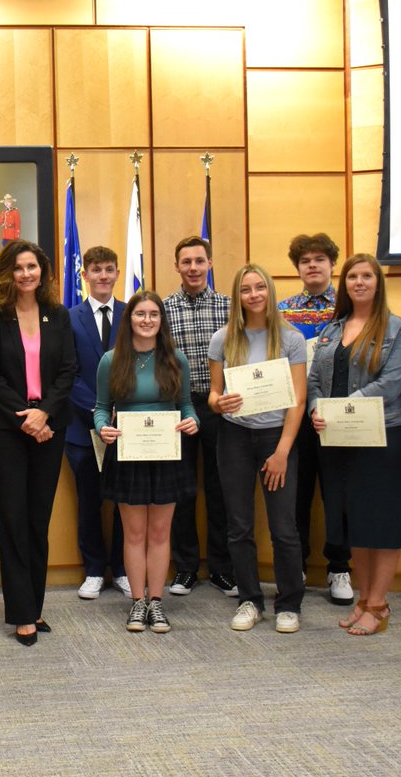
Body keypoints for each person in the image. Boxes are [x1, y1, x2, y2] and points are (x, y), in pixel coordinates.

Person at [307, 255, 401, 636]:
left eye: (367, 275)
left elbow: (392, 383)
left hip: (381, 437)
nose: (359, 282)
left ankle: (379, 603)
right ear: (345, 284)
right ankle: (364, 599)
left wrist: (342, 410)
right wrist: (318, 409)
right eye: (352, 276)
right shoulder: (331, 330)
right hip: (336, 439)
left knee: (380, 522)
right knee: (355, 523)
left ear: (378, 282)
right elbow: (314, 381)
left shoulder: (396, 329)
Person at [0, 240, 77, 645]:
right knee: (13, 520)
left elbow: (69, 371)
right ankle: (20, 613)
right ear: (7, 273)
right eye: (18, 268)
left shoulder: (59, 314)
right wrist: (28, 417)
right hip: (6, 430)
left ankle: (34, 607)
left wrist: (44, 414)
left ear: (43, 270)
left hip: (49, 428)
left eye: (32, 266)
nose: (26, 274)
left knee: (38, 519)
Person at [209, 264, 307, 634]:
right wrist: (219, 404)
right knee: (239, 526)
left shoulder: (290, 339)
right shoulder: (223, 339)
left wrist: (282, 451)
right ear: (237, 297)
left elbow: (298, 400)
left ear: (269, 291)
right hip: (234, 437)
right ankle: (249, 600)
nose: (254, 295)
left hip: (276, 438)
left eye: (259, 288)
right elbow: (215, 394)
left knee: (284, 528)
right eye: (246, 290)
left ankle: (289, 604)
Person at [94, 292, 198, 633]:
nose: (147, 320)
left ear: (161, 320)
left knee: (160, 532)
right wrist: (102, 427)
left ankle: (156, 603)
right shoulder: (111, 360)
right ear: (130, 319)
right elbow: (100, 408)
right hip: (129, 454)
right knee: (134, 533)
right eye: (141, 314)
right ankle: (137, 603)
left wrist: (192, 420)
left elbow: (185, 405)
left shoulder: (175, 359)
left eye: (154, 314)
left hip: (167, 453)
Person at [278, 232, 353, 606]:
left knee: (337, 494)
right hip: (295, 414)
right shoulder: (282, 310)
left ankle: (339, 568)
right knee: (297, 495)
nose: (312, 265)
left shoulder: (349, 305)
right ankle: (299, 566)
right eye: (305, 260)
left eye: (319, 259)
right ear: (297, 267)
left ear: (332, 264)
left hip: (337, 413)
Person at [162, 236, 236, 598]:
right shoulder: (162, 309)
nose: (193, 268)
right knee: (182, 490)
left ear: (209, 264)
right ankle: (186, 568)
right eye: (186, 261)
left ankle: (223, 568)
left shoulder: (229, 306)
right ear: (176, 266)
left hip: (221, 406)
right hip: (177, 407)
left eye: (199, 261)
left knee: (220, 488)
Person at [66, 245, 128, 599]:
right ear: (85, 275)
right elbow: (67, 374)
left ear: (117, 273)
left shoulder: (131, 313)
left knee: (125, 500)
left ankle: (121, 568)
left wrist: (121, 412)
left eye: (109, 269)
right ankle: (92, 569)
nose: (103, 275)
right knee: (88, 500)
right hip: (82, 427)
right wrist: (99, 411)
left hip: (127, 426)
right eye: (96, 270)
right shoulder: (69, 317)